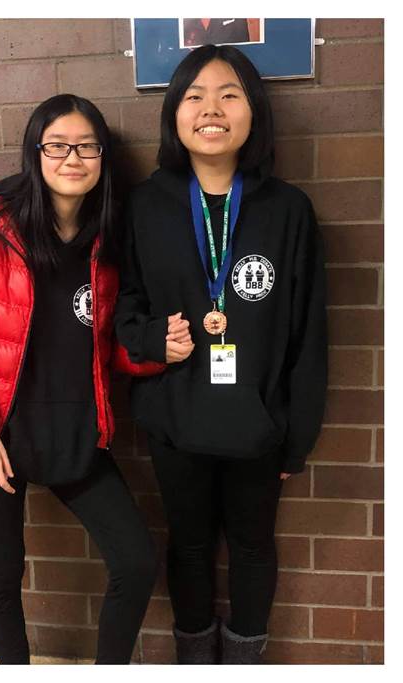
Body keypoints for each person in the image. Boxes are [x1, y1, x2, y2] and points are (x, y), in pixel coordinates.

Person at [0, 94, 165, 665]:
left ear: (103, 156)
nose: (72, 158)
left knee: (135, 561)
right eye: (56, 146)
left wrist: (156, 352)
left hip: (77, 430)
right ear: (35, 152)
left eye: (87, 146)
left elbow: (110, 348)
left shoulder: (112, 233)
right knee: (1, 576)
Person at [114, 45, 327, 664]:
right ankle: (195, 661)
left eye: (229, 94)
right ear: (175, 115)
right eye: (194, 96)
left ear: (253, 112)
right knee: (187, 545)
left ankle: (244, 663)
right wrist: (156, 339)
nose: (212, 109)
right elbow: (123, 307)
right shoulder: (146, 205)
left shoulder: (287, 210)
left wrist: (298, 435)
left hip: (259, 423)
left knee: (254, 546)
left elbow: (310, 331)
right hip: (175, 417)